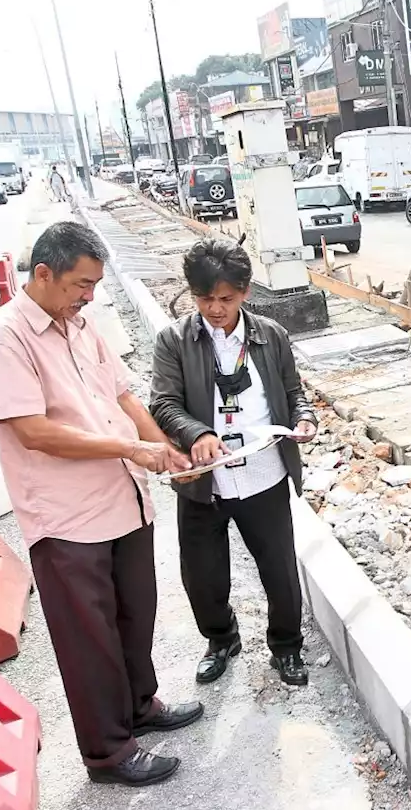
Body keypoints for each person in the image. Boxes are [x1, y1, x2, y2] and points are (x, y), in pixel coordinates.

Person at [0, 222, 203, 788]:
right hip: (66, 518)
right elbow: (33, 431)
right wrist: (132, 448)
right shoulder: (5, 339)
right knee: (89, 639)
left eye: (96, 285)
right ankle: (107, 751)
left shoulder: (82, 325)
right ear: (44, 274)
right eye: (81, 284)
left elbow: (124, 395)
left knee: (134, 613)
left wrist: (164, 449)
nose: (89, 296)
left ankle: (140, 707)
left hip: (123, 500)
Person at [150, 239, 318, 687]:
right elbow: (163, 403)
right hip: (202, 480)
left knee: (279, 571)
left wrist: (304, 417)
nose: (215, 309)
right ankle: (221, 639)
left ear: (245, 292)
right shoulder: (174, 340)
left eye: (225, 299)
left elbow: (293, 391)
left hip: (263, 473)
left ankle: (286, 648)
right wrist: (197, 433)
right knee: (202, 576)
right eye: (204, 299)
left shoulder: (270, 334)